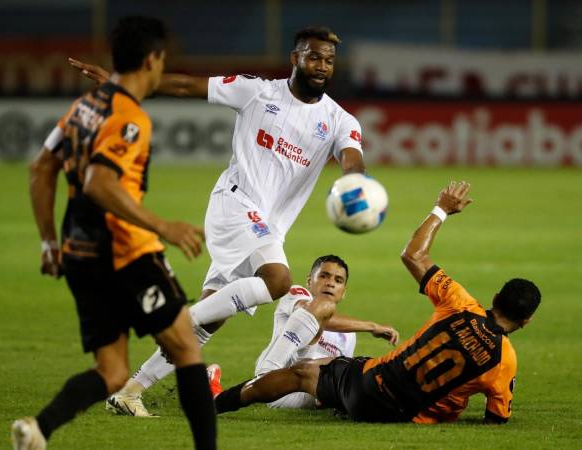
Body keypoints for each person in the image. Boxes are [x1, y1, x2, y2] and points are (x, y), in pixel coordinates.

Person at [70, 26, 368, 416]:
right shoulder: (258, 91)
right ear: (295, 58)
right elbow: (185, 87)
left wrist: (353, 182)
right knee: (277, 280)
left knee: (211, 319)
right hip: (235, 204)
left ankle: (130, 390)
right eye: (313, 57)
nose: (322, 66)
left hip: (268, 227)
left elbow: (352, 157)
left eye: (328, 60)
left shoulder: (339, 119)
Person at [13, 17, 216, 450]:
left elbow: (41, 168)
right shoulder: (130, 120)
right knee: (185, 347)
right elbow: (99, 184)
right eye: (163, 59)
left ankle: (38, 431)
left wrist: (49, 242)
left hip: (79, 255)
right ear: (152, 59)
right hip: (127, 255)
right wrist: (164, 226)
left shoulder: (83, 106)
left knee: (112, 373)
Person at [212, 181, 542, 424]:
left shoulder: (460, 303)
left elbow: (413, 255)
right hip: (406, 417)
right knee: (329, 369)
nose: (330, 284)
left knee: (304, 373)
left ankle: (217, 403)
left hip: (369, 389)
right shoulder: (505, 361)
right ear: (527, 320)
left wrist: (441, 208)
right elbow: (497, 418)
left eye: (338, 280)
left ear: (496, 298)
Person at [208, 254, 399, 410]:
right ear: (309, 280)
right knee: (320, 311)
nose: (330, 283)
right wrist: (372, 326)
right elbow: (315, 313)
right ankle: (263, 373)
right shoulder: (296, 294)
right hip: (278, 377)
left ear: (344, 291)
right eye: (324, 276)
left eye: (338, 280)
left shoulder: (349, 334)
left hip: (310, 391)